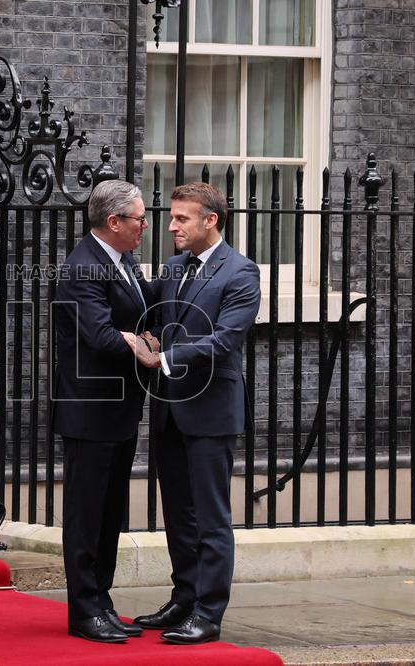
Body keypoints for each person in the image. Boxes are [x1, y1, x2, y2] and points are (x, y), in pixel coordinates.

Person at [126, 182, 261, 644]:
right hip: (169, 410)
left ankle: (208, 613)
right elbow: (153, 314)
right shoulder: (174, 266)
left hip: (210, 412)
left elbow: (226, 340)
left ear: (211, 221)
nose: (172, 225)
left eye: (182, 218)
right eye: (171, 217)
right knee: (179, 514)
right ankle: (184, 598)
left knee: (210, 516)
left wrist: (163, 359)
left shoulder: (241, 273)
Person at [54, 179, 156, 643]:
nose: (145, 225)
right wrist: (135, 342)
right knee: (87, 512)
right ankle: (83, 609)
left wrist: (143, 337)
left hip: (118, 408)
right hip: (91, 410)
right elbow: (100, 335)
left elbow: (141, 311)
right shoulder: (84, 267)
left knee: (111, 510)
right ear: (113, 222)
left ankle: (102, 599)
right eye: (138, 218)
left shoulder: (121, 260)